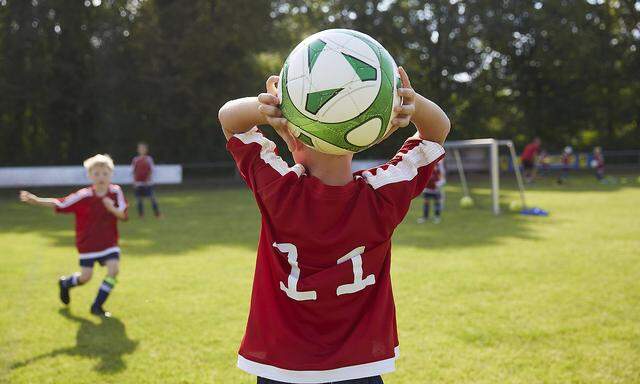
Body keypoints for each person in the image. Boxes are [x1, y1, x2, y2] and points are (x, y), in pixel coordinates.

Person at [218, 68, 450, 384]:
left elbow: (229, 120)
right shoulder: (383, 195)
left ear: (293, 136)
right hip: (359, 369)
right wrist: (413, 103)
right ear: (363, 137)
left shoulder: (278, 191)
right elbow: (437, 133)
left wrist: (271, 104)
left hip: (282, 368)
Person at [19, 154, 127, 317]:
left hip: (109, 242)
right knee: (85, 277)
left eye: (105, 173)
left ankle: (97, 306)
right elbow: (60, 202)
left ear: (111, 174)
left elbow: (123, 216)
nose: (101, 177)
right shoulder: (83, 195)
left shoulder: (116, 192)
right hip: (88, 243)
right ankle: (66, 283)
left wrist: (112, 209)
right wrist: (37, 200)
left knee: (114, 270)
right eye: (96, 173)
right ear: (90, 175)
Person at [131, 142, 161, 218]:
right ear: (138, 150)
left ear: (146, 150)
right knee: (139, 200)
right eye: (140, 148)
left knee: (152, 199)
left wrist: (148, 179)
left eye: (143, 148)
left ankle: (157, 214)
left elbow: (151, 170)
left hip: (148, 183)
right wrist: (134, 181)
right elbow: (134, 171)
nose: (142, 150)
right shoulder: (135, 159)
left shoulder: (149, 159)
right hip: (138, 183)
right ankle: (141, 215)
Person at [417, 159, 446, 224]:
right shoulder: (426, 165)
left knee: (437, 203)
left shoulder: (439, 166)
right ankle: (425, 217)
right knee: (426, 203)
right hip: (427, 188)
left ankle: (437, 217)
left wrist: (438, 184)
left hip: (436, 189)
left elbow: (443, 178)